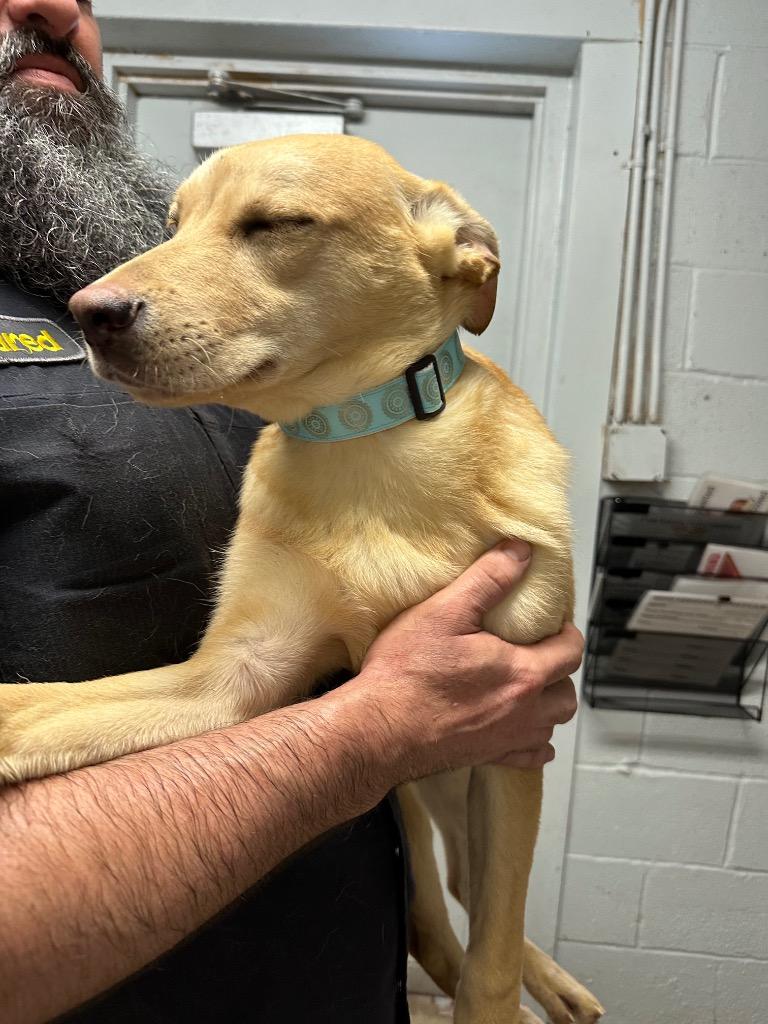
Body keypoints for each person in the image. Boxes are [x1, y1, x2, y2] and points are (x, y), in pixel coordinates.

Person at [0, 3, 582, 1023]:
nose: (52, 9)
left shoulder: (276, 400)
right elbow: (266, 698)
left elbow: (487, 726)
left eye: (266, 224)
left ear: (459, 258)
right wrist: (376, 727)